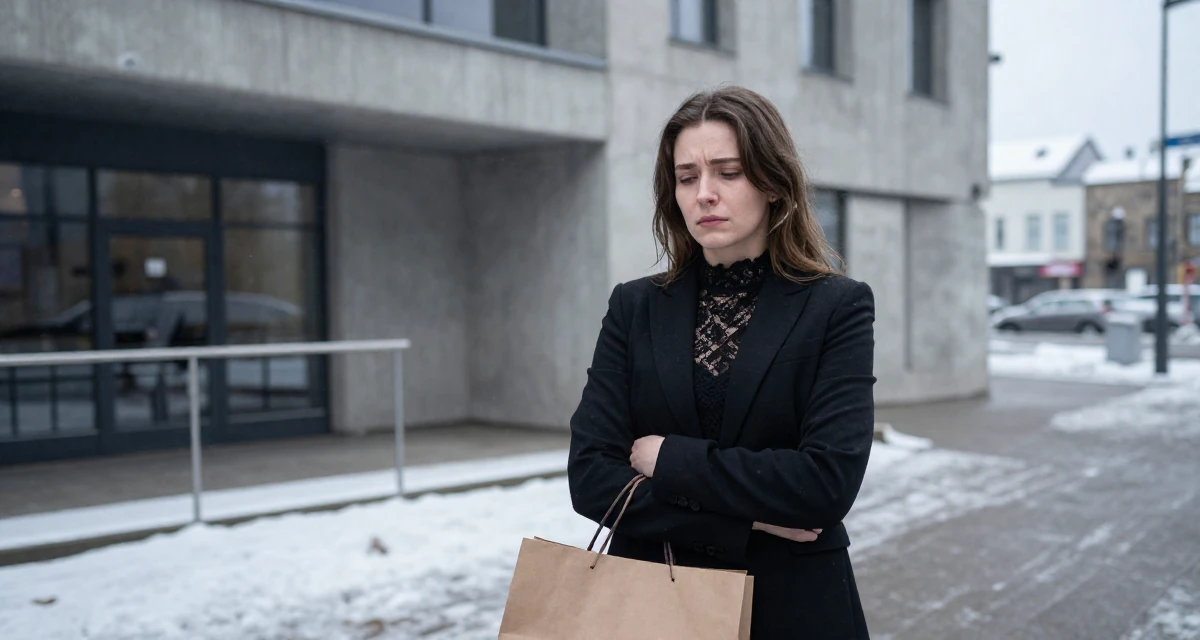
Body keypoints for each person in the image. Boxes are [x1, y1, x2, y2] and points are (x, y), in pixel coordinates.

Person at [567, 85, 875, 639]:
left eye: (728, 173)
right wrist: (748, 516)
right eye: (688, 177)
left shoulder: (837, 306)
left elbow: (825, 485)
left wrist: (670, 459)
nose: (704, 193)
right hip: (652, 605)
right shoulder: (634, 307)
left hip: (791, 606)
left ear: (774, 184)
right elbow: (592, 478)